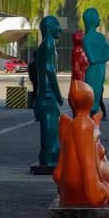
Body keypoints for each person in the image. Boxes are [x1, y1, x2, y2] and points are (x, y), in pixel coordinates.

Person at [53, 80, 109, 207]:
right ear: (91, 101)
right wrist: (99, 193)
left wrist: (95, 124)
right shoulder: (83, 124)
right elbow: (88, 167)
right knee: (108, 169)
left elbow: (58, 174)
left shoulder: (72, 125)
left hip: (68, 191)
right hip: (82, 192)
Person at [34, 16, 64, 167]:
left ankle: (49, 157)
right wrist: (58, 95)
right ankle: (49, 159)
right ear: (50, 27)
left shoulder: (42, 46)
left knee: (51, 134)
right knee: (51, 137)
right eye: (57, 25)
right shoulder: (49, 42)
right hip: (48, 95)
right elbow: (49, 68)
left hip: (43, 96)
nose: (60, 29)